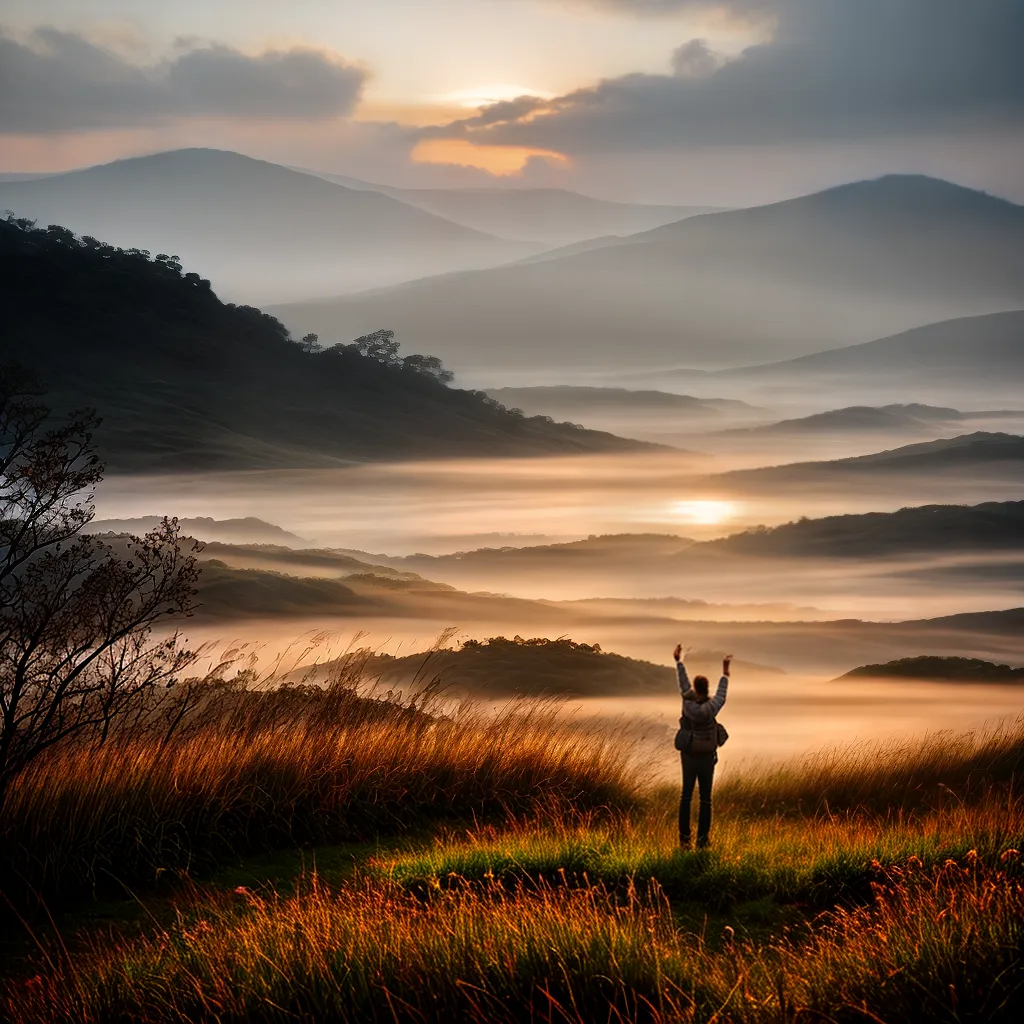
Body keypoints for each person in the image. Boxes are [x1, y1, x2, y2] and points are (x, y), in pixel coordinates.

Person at [674, 644, 731, 849]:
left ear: (695, 689)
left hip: (689, 755)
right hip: (707, 757)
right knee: (706, 799)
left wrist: (679, 662)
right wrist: (725, 674)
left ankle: (684, 840)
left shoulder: (687, 703)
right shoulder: (712, 707)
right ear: (706, 689)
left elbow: (683, 684)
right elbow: (721, 695)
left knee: (686, 796)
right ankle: (703, 841)